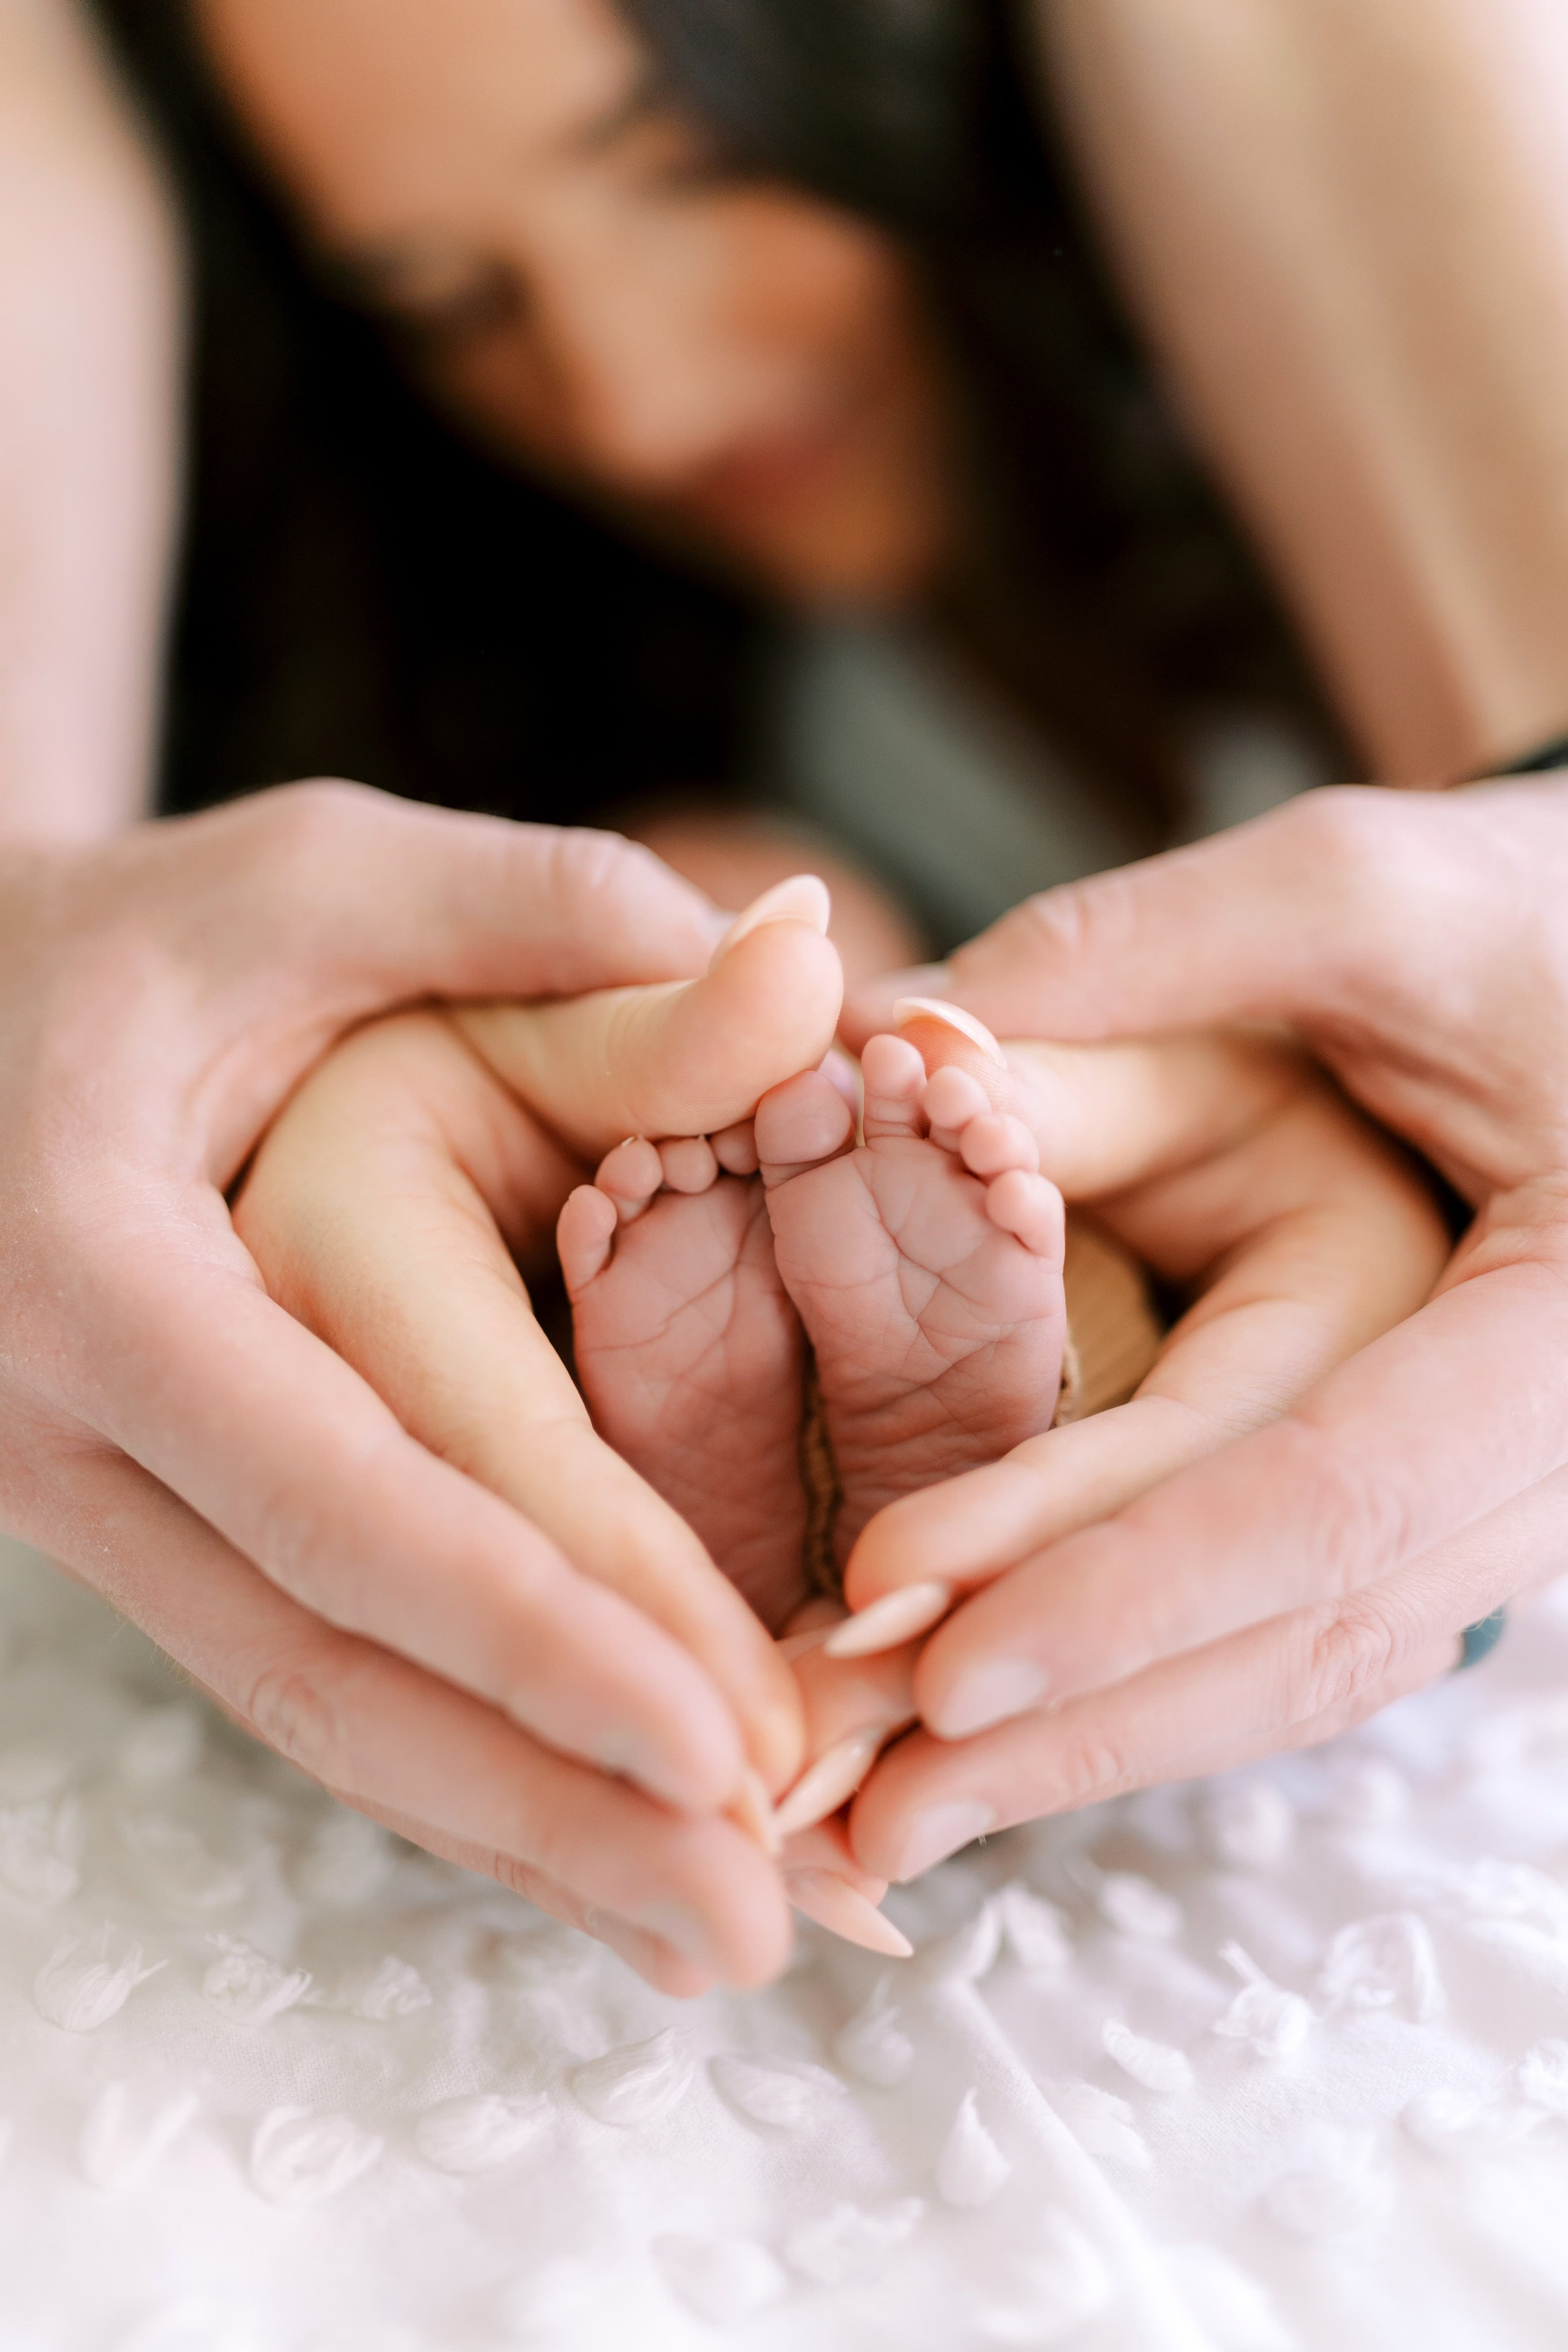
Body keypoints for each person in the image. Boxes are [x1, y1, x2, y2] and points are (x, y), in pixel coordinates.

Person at [6, 0, 1568, 1971]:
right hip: (907, 970)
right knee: (752, 989)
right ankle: (850, 1465)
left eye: (696, 160)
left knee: (953, 1088)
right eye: (446, 301)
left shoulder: (1362, 265)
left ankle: (955, 1440)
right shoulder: (678, 663)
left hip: (1262, 1023)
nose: (638, 401)